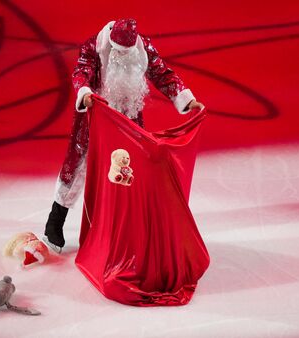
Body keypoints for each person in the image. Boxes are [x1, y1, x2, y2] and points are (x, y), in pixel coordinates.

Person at [42, 18, 204, 253]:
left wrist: (186, 99)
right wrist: (85, 93)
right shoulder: (93, 46)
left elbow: (163, 74)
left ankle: (121, 230)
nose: (122, 56)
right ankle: (54, 222)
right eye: (119, 51)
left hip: (128, 119)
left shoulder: (144, 48)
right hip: (95, 116)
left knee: (127, 171)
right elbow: (81, 72)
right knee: (77, 167)